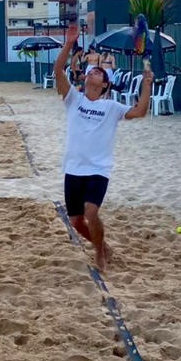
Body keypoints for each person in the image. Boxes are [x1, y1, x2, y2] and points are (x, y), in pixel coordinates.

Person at [54, 23, 153, 271]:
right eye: (91, 71)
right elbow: (58, 70)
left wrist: (147, 85)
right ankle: (103, 245)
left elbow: (140, 112)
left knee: (90, 212)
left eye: (99, 72)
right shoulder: (73, 99)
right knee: (76, 221)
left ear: (105, 85)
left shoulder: (111, 107)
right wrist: (69, 43)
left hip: (98, 169)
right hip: (73, 168)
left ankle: (99, 252)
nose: (93, 72)